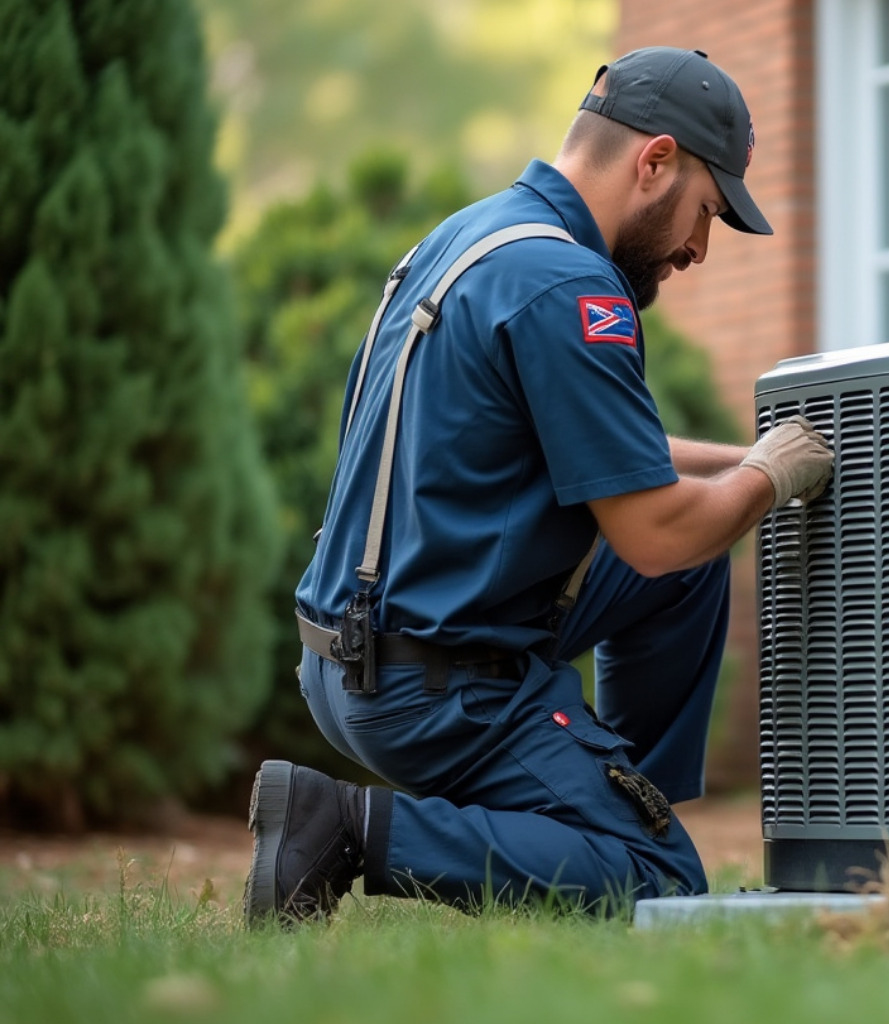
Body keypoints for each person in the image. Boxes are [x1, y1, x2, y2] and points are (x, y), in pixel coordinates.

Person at [242, 46, 834, 925]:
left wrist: (738, 457)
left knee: (689, 566)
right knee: (658, 882)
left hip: (349, 657)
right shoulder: (571, 286)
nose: (699, 250)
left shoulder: (475, 238)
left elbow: (605, 447)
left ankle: (603, 790)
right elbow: (659, 532)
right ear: (655, 161)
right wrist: (767, 477)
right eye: (706, 213)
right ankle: (350, 828)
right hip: (430, 688)